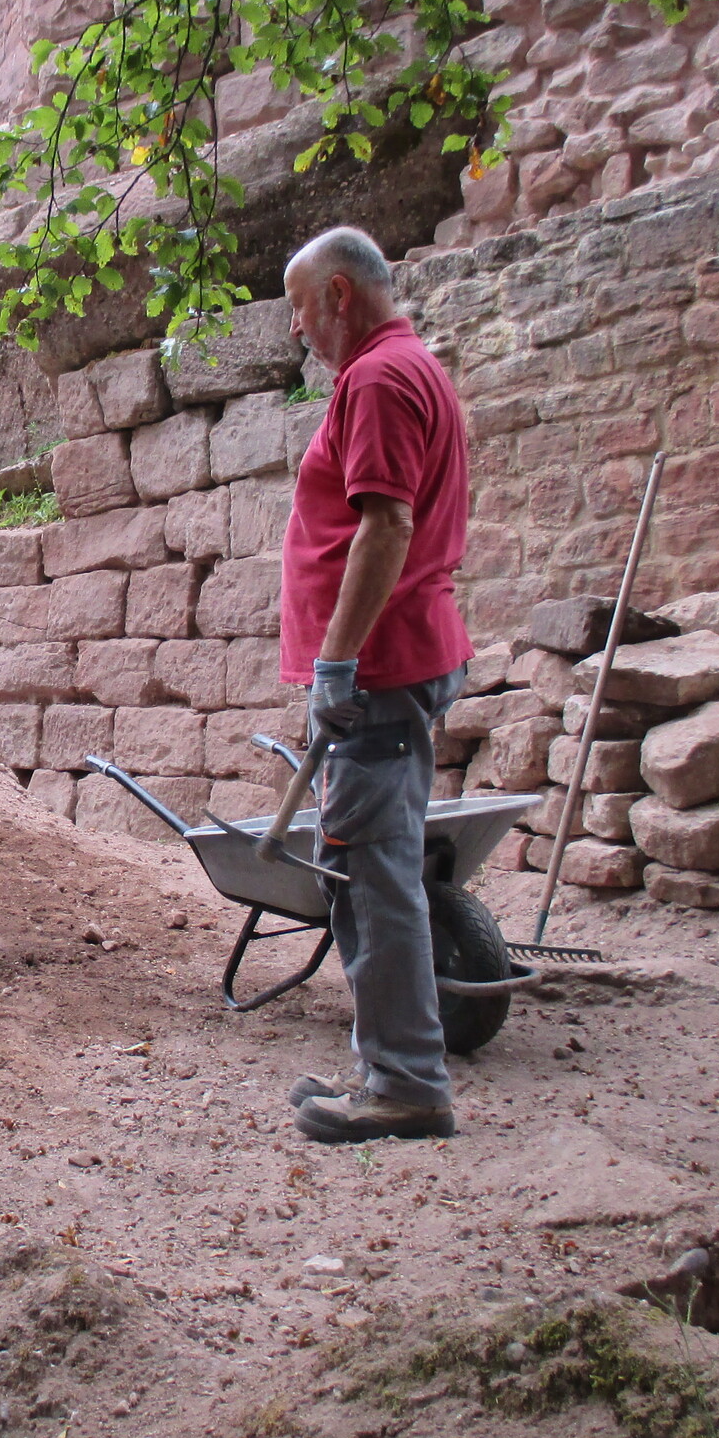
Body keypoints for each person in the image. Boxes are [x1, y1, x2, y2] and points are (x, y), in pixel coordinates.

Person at [277, 226, 473, 1143]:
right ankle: (387, 1062)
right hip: (395, 658)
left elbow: (386, 526)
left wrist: (337, 661)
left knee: (372, 875)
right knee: (368, 868)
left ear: (339, 294)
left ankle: (406, 1083)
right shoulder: (403, 368)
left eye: (299, 306)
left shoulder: (382, 380)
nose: (295, 329)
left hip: (380, 670)